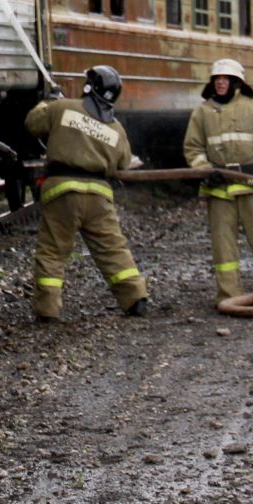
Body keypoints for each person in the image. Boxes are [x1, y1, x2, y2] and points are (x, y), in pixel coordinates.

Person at [23, 66, 149, 322]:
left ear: (88, 87)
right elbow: (124, 163)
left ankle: (47, 309)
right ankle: (135, 298)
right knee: (112, 248)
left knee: (52, 251)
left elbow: (32, 123)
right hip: (99, 196)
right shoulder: (116, 128)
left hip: (62, 192)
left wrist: (49, 101)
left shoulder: (62, 108)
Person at [184, 58, 253, 306]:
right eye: (217, 79)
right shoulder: (202, 113)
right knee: (223, 247)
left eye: (226, 79)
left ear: (236, 82)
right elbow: (193, 148)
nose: (220, 83)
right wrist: (204, 169)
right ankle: (229, 295)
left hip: (252, 185)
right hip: (219, 188)